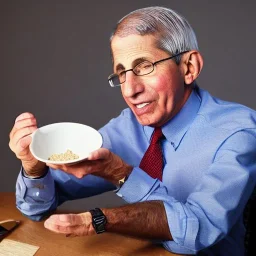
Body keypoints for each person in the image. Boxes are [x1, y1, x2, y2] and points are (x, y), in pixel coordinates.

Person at [9, 6, 256, 256]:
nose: (129, 90)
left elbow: (199, 229)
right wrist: (34, 168)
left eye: (144, 66)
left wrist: (119, 179)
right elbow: (38, 207)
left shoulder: (239, 132)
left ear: (189, 67)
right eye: (121, 73)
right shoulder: (128, 127)